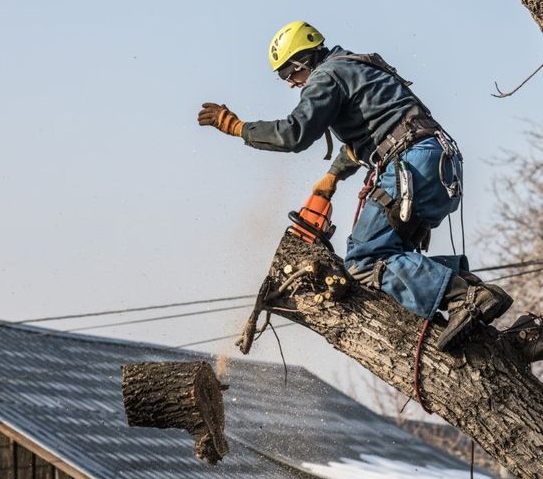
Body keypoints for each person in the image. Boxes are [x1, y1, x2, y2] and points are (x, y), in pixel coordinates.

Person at [197, 20, 512, 351]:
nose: (291, 84)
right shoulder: (356, 64)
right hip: (438, 161)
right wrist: (331, 179)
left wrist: (238, 127)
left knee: (364, 259)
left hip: (412, 162)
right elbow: (370, 133)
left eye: (288, 75)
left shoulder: (325, 77)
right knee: (392, 256)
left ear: (300, 62)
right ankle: (479, 303)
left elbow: (294, 133)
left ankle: (468, 296)